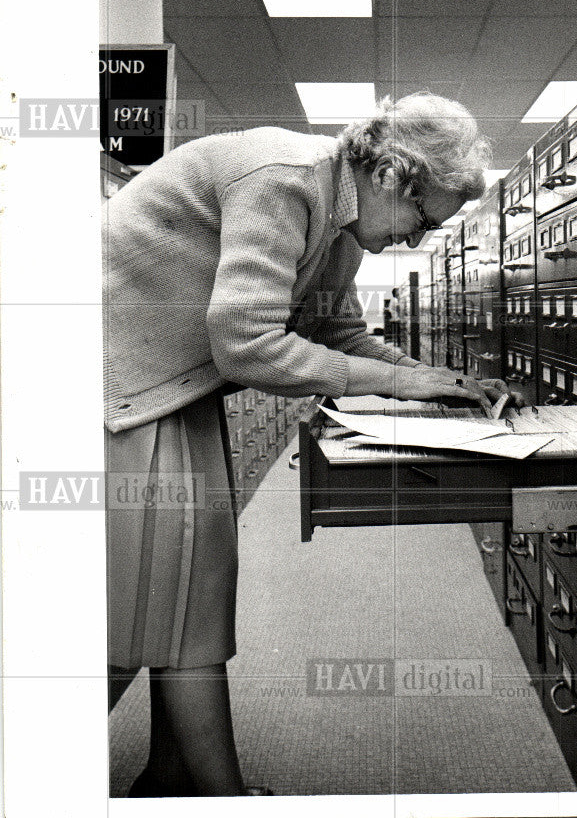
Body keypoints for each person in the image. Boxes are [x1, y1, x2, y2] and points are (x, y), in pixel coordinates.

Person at [104, 91, 515, 797]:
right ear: (391, 175)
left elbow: (340, 334)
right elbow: (245, 345)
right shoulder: (284, 180)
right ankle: (206, 797)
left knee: (195, 592)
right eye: (421, 220)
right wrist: (398, 385)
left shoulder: (343, 226)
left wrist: (433, 379)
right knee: (163, 606)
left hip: (175, 388)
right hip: (121, 387)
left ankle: (171, 776)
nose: (418, 240)